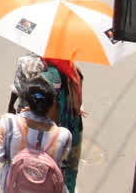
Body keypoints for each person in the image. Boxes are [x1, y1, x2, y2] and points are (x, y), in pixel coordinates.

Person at [0, 77, 72, 192]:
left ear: (27, 101)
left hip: (13, 187)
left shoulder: (9, 123)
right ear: (52, 104)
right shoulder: (64, 135)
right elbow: (62, 162)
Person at [42, 58, 84, 191]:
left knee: (50, 176)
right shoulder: (75, 72)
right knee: (70, 173)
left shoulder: (48, 76)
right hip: (74, 130)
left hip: (55, 136)